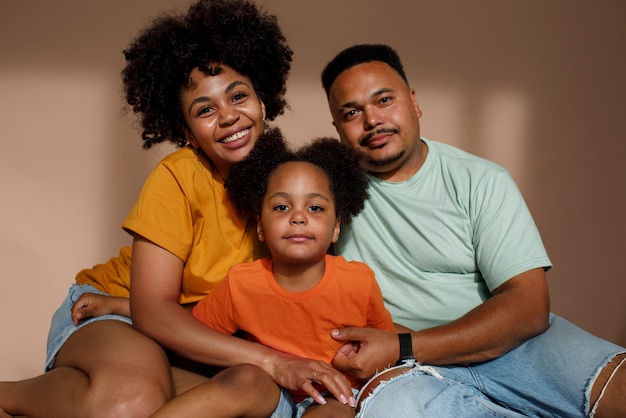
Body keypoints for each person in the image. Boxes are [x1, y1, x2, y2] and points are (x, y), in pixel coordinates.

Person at [0, 1, 355, 417]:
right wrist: (275, 362)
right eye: (205, 110)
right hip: (118, 310)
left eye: (238, 96)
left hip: (198, 336)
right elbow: (153, 311)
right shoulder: (179, 175)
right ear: (187, 131)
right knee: (131, 402)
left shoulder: (293, 188)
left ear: (262, 100)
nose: (228, 117)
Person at [320, 44, 626, 417]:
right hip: (402, 371)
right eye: (352, 112)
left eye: (384, 100)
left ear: (414, 102)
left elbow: (529, 309)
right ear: (337, 129)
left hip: (509, 343)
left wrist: (403, 344)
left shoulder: (480, 180)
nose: (372, 120)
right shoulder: (324, 198)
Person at [151, 132, 396, 417]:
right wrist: (123, 305)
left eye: (315, 207)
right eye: (282, 206)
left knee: (337, 412)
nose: (298, 216)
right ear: (259, 227)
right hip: (269, 392)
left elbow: (384, 348)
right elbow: (193, 333)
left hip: (332, 397)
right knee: (245, 377)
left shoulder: (359, 282)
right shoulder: (241, 283)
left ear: (337, 227)